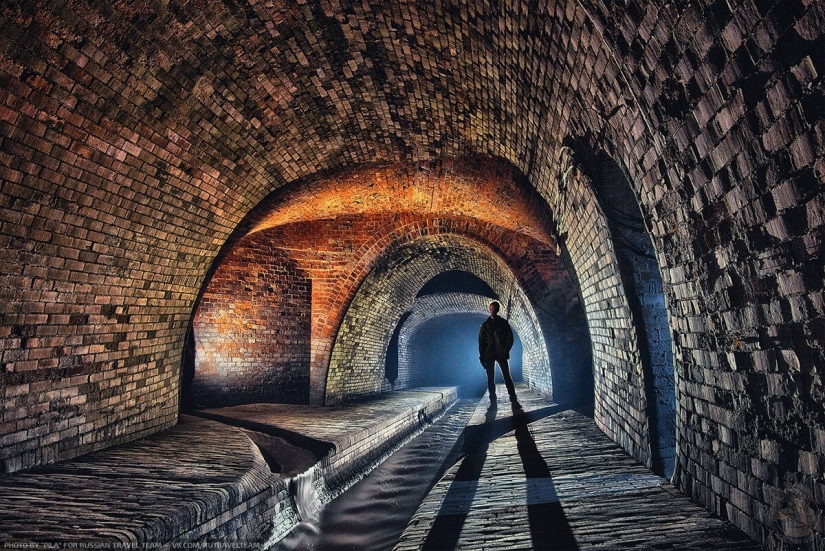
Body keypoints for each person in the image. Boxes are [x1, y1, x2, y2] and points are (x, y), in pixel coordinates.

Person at [478, 300, 517, 404]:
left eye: (494, 309)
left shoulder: (503, 323)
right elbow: (481, 342)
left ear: (497, 310)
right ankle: (493, 401)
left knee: (506, 376)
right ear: (489, 310)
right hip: (489, 355)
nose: (492, 311)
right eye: (491, 309)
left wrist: (505, 350)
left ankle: (513, 399)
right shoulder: (485, 325)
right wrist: (482, 356)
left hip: (501, 354)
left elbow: (510, 338)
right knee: (490, 379)